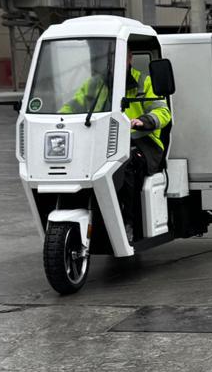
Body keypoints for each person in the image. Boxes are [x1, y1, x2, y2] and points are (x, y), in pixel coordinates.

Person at [60, 45, 172, 239]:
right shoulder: (95, 84)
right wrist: (57, 119)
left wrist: (143, 121)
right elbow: (73, 105)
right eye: (109, 57)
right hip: (103, 142)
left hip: (143, 143)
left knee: (125, 166)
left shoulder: (143, 82)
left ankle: (127, 223)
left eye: (119, 56)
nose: (113, 62)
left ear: (129, 58)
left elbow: (163, 112)